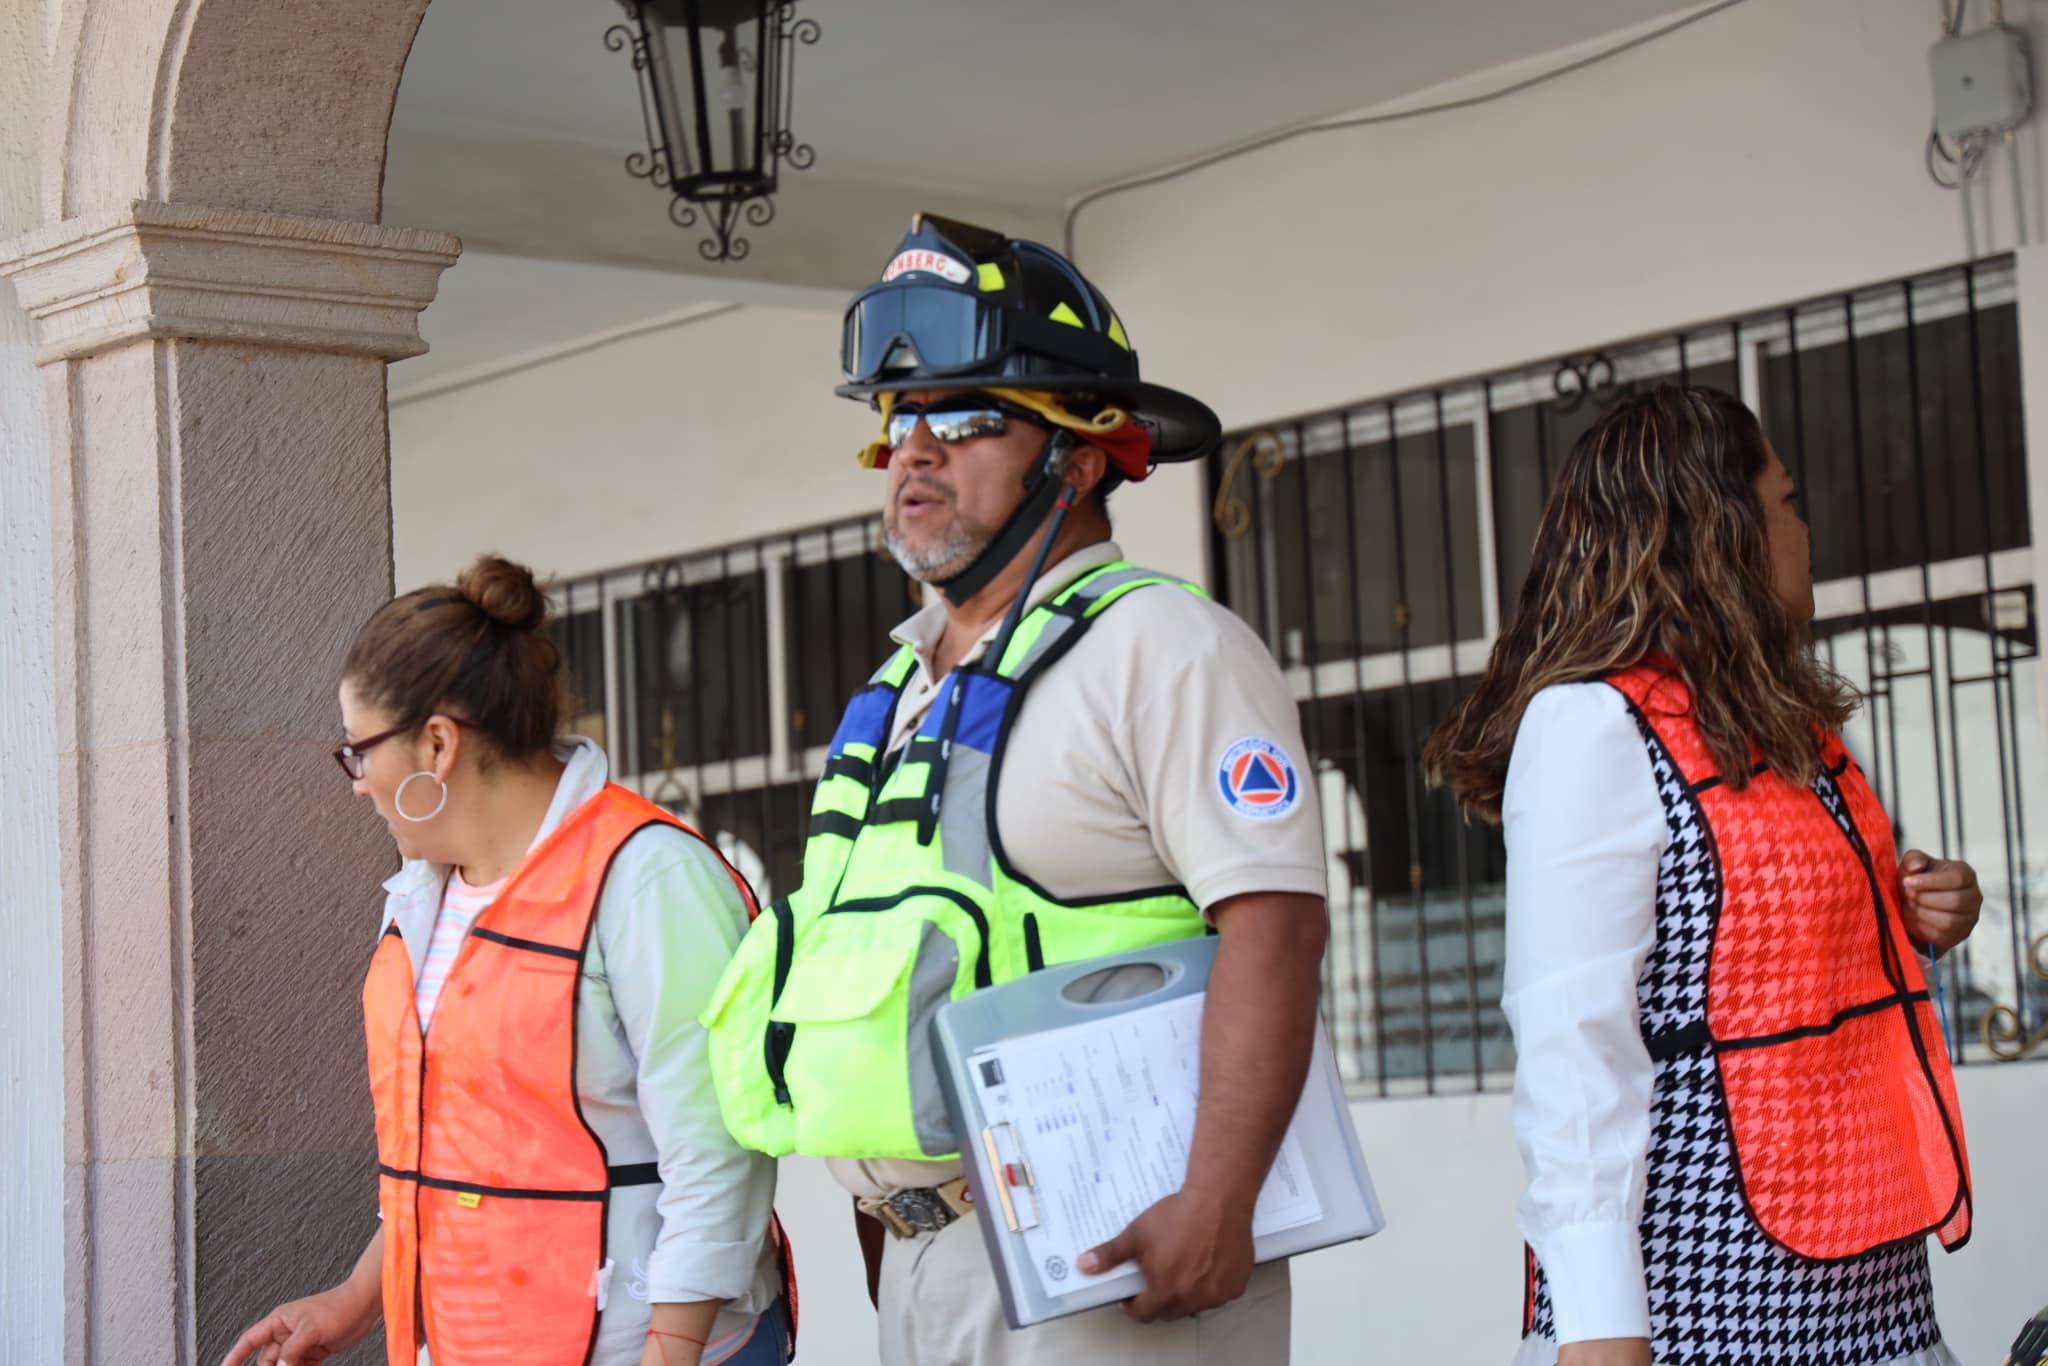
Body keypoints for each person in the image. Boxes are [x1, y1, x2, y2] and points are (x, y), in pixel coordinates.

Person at [698, 213, 1330, 1364]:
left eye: (968, 420)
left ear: (1079, 457)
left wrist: (1218, 1201)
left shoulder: (1164, 647)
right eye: (899, 425)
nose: (915, 454)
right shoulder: (896, 684)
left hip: (1116, 1256)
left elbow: (1275, 926)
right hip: (925, 1259)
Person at [1424, 385, 1979, 1366]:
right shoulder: (1592, 725)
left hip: (1868, 1282)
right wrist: (1600, 1329)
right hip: (1695, 1306)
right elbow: (1570, 1044)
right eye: (1787, 501)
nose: (1804, 529)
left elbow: (1769, 952)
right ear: (1718, 528)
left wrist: (1926, 907)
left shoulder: (1792, 730)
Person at [222, 555, 791, 1366]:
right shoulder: (422, 899)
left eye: (358, 752)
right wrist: (357, 1297)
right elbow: (453, 1152)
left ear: (438, 743)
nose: (355, 783)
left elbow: (717, 1160)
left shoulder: (648, 878)